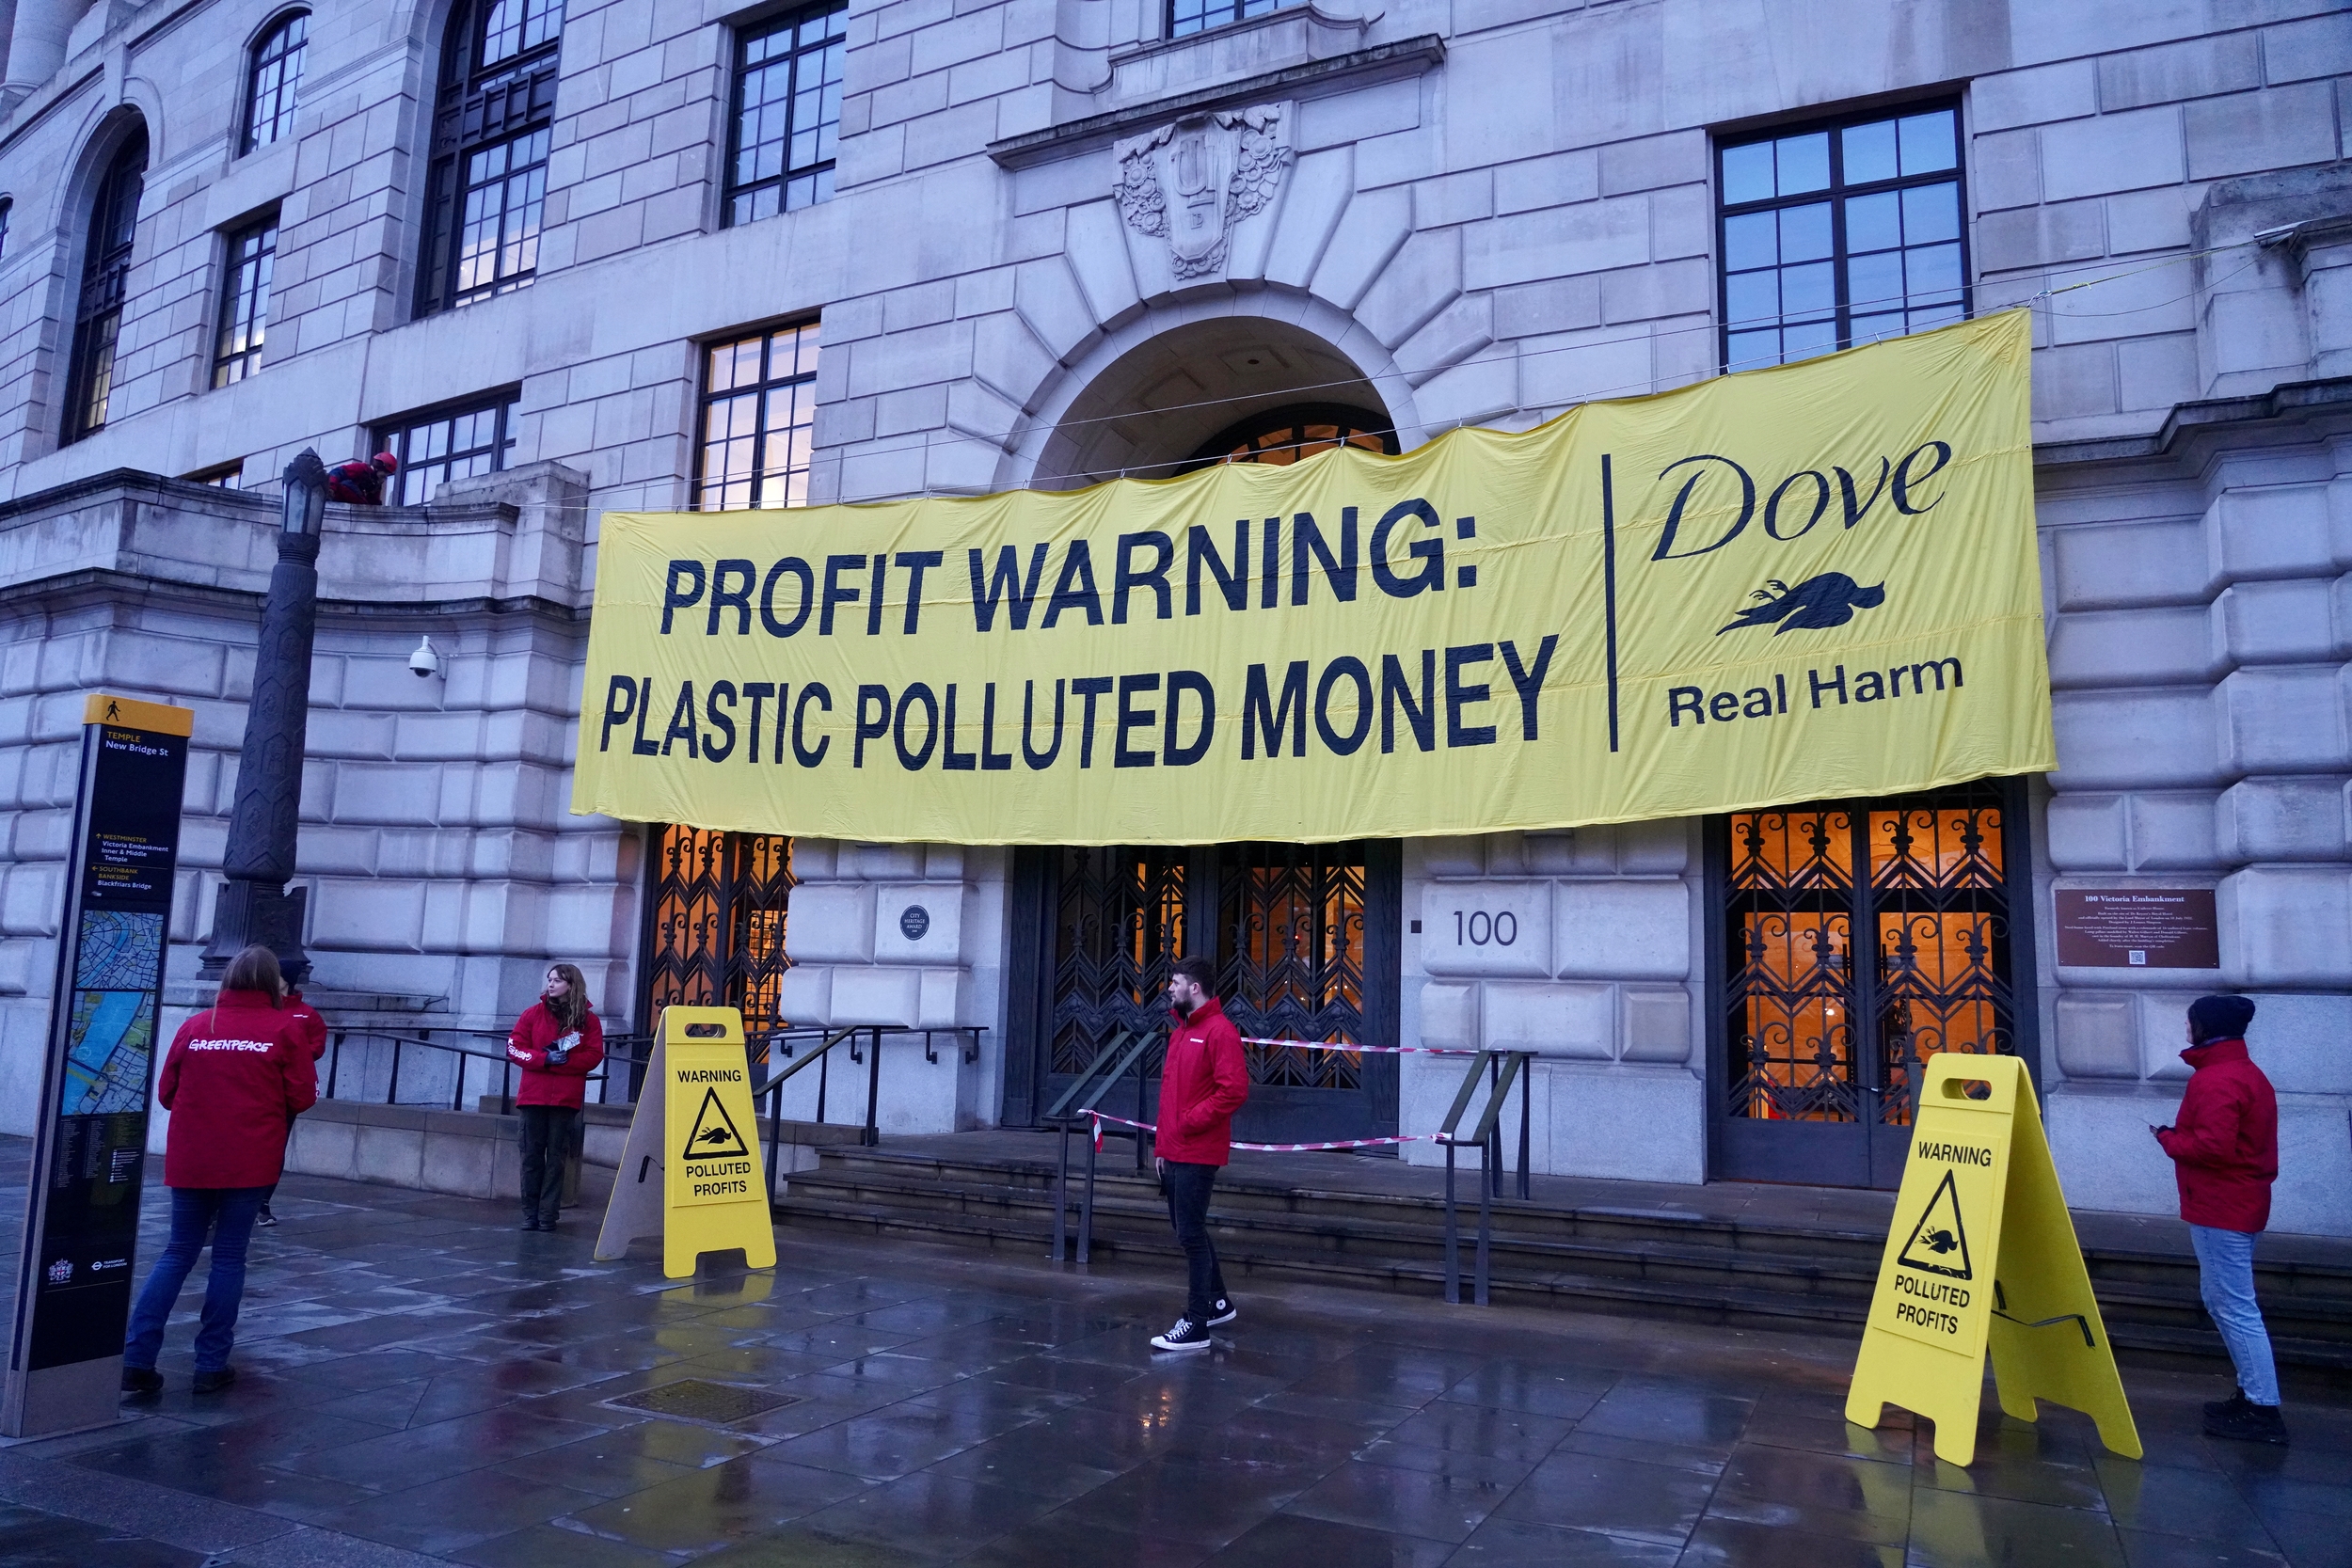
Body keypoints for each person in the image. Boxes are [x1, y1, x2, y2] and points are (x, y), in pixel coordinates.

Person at [122, 944, 317, 1396]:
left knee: (177, 1253)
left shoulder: (196, 1026)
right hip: (249, 1160)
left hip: (192, 1157)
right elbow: (303, 1097)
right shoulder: (284, 1029)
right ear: (272, 984)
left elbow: (167, 1093)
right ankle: (210, 1364)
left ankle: (136, 1356)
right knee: (229, 1257)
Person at [2153, 993, 2286, 1445]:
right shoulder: (2241, 1072)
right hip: (2233, 1204)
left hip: (2221, 1206)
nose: (2187, 1029)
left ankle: (2262, 1408)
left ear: (2205, 1028)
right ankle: (2253, 1396)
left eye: (2191, 1022)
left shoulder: (2217, 1079)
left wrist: (2169, 1139)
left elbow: (2212, 1147)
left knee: (2234, 1307)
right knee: (2223, 1301)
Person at [1149, 956, 1248, 1353]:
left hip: (1198, 1150)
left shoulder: (1219, 1032)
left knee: (1190, 1234)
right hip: (1175, 1149)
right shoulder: (1180, 1033)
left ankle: (1197, 1323)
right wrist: (1162, 1144)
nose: (1169, 989)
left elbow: (1234, 1090)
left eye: (1175, 982)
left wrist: (1189, 1123)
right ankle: (1218, 1301)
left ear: (1194, 988)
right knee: (1189, 1229)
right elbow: (1169, 1094)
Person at [506, 963, 605, 1231]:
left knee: (556, 1159)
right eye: (550, 980)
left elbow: (595, 1055)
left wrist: (565, 1062)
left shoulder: (588, 1021)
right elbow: (515, 1047)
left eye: (558, 980)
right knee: (531, 1157)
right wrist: (544, 1059)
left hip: (565, 1099)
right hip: (533, 1097)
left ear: (571, 985)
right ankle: (530, 1213)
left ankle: (548, 1214)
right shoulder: (532, 1014)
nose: (551, 984)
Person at [256, 982, 328, 1227]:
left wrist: (288, 1053)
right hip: (257, 1090)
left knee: (274, 1149)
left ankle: (262, 1203)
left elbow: (316, 1048)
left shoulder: (307, 1014)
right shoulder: (260, 1009)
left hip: (284, 1094)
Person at [324, 451, 399, 504]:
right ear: (380, 468)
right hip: (338, 497)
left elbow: (374, 501)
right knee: (347, 484)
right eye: (385, 473)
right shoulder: (361, 468)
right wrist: (331, 489)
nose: (385, 477)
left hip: (355, 503)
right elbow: (336, 473)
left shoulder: (376, 484)